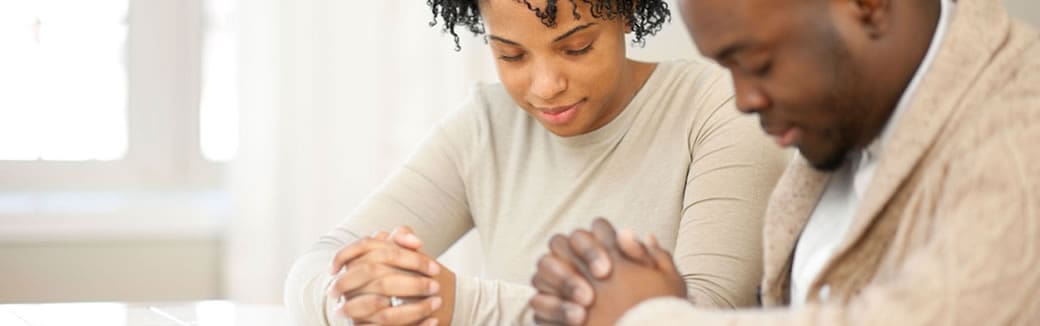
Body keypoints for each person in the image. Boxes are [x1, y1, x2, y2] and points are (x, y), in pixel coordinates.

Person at [530, 0, 1040, 324]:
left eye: (757, 64)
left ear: (867, 6)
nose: (743, 100)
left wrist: (649, 317)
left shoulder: (1023, 126)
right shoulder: (838, 132)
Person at [283, 0, 789, 325]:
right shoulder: (487, 125)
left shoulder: (719, 109)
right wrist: (350, 295)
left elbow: (703, 316)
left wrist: (459, 304)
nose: (545, 87)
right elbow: (319, 260)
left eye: (576, 47)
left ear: (628, 10)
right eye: (512, 56)